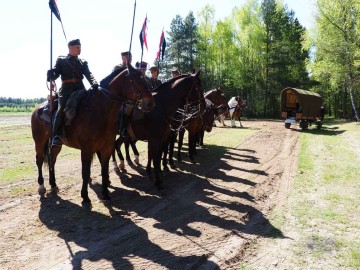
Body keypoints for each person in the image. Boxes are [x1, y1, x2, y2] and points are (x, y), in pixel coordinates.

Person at [47, 39, 99, 147]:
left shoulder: (83, 62)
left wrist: (94, 83)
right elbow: (56, 74)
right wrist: (51, 74)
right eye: (77, 47)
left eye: (80, 47)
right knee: (61, 108)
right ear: (70, 48)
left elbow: (89, 75)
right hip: (66, 89)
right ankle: (56, 135)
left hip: (80, 87)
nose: (80, 49)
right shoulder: (61, 60)